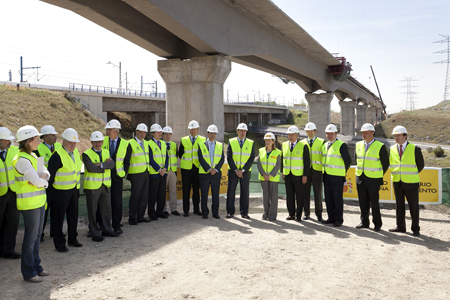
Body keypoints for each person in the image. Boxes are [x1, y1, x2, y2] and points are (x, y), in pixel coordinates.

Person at [13, 125, 50, 283]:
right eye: (37, 139)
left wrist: (42, 178)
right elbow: (37, 180)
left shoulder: (35, 156)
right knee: (30, 238)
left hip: (39, 201)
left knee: (36, 237)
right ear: (28, 141)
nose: (39, 141)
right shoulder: (21, 160)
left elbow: (46, 173)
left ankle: (37, 266)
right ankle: (28, 272)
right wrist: (42, 181)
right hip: (29, 204)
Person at [48, 128, 83, 253]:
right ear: (63, 141)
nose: (73, 145)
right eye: (70, 142)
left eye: (75, 142)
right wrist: (49, 196)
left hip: (73, 190)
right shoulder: (57, 156)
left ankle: (73, 239)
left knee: (73, 216)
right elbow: (50, 178)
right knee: (58, 219)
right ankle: (59, 244)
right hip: (60, 192)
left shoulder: (75, 154)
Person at [82, 131, 120, 242]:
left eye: (99, 141)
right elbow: (91, 168)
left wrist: (99, 164)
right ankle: (95, 233)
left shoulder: (106, 151)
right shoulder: (86, 154)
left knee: (106, 209)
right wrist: (105, 165)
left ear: (102, 142)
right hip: (92, 187)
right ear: (91, 142)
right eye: (95, 142)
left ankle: (107, 230)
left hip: (105, 185)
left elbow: (112, 165)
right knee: (93, 211)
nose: (98, 144)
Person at [388, 125, 424, 236]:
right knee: (399, 205)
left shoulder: (415, 148)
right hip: (397, 182)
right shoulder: (392, 149)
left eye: (398, 135)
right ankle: (400, 226)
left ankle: (415, 228)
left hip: (411, 182)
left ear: (405, 136)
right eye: (395, 136)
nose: (396, 138)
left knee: (413, 206)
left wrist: (409, 174)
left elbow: (421, 165)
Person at [355, 123, 389, 232]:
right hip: (360, 178)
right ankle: (364, 222)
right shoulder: (358, 145)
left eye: (366, 133)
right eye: (362, 133)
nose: (363, 135)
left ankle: (377, 224)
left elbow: (385, 164)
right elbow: (358, 160)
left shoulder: (380, 146)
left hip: (373, 179)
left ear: (372, 133)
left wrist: (377, 175)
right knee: (362, 202)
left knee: (374, 202)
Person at [102, 119, 131, 234]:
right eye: (107, 130)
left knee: (117, 202)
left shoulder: (125, 143)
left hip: (118, 177)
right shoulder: (102, 141)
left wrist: (124, 173)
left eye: (110, 130)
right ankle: (102, 225)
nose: (108, 132)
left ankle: (116, 225)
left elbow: (127, 161)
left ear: (116, 130)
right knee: (103, 202)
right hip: (105, 177)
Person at [34, 125, 61, 242]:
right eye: (52, 134)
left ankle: (55, 232)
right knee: (45, 209)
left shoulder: (59, 147)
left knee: (56, 209)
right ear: (44, 137)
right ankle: (40, 234)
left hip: (59, 183)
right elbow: (39, 168)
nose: (55, 136)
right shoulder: (38, 150)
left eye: (55, 134)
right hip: (46, 185)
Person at [321, 124, 351, 227]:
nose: (330, 135)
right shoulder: (325, 145)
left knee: (337, 199)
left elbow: (348, 161)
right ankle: (331, 217)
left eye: (331, 134)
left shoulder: (341, 145)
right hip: (327, 176)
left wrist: (342, 172)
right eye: (328, 134)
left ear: (336, 134)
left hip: (337, 177)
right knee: (328, 199)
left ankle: (338, 219)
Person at [226, 123, 255, 219]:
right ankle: (230, 212)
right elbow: (229, 157)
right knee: (231, 192)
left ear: (246, 132)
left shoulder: (251, 143)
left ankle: (244, 212)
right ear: (237, 131)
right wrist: (236, 170)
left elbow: (251, 158)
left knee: (245, 192)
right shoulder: (231, 141)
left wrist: (242, 170)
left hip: (245, 172)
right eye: (241, 130)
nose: (243, 132)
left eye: (244, 131)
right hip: (233, 171)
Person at [282, 125, 310, 222]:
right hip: (288, 174)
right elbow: (283, 159)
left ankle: (299, 215)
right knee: (289, 196)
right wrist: (282, 171)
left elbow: (307, 162)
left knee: (299, 196)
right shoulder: (284, 145)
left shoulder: (303, 146)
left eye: (292, 134)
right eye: (289, 135)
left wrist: (305, 175)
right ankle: (291, 214)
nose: (291, 136)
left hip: (299, 175)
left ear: (297, 135)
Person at [0, 127, 20, 259]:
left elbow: (34, 158)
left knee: (13, 222)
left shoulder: (14, 150)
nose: (9, 142)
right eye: (7, 139)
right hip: (1, 194)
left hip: (13, 193)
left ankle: (9, 250)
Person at [178, 120, 206, 217]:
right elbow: (180, 154)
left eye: (195, 129)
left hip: (197, 168)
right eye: (191, 129)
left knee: (196, 190)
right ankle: (186, 211)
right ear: (189, 130)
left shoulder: (203, 140)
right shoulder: (184, 140)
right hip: (186, 169)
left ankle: (196, 209)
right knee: (186, 190)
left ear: (197, 130)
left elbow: (204, 154)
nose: (193, 131)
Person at [197, 125, 224, 219]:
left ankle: (215, 213)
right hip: (205, 173)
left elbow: (222, 159)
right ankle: (205, 213)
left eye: (214, 133)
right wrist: (209, 169)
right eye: (211, 133)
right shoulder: (201, 145)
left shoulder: (220, 145)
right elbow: (200, 158)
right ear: (207, 133)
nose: (213, 135)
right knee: (204, 194)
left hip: (216, 174)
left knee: (215, 195)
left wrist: (215, 170)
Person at [126, 123, 150, 224]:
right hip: (135, 174)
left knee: (144, 196)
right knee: (135, 197)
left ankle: (140, 216)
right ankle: (132, 218)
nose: (142, 134)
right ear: (136, 132)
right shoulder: (130, 143)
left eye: (144, 133)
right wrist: (125, 174)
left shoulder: (146, 143)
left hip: (145, 172)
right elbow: (127, 160)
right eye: (140, 132)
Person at [301, 122, 324, 222]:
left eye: (312, 131)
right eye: (308, 131)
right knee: (305, 192)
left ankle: (319, 214)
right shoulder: (302, 143)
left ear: (315, 131)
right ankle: (306, 213)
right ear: (306, 132)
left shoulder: (322, 142)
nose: (310, 133)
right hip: (305, 171)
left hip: (317, 171)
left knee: (317, 193)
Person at [257, 132, 281, 221]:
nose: (268, 142)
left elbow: (278, 165)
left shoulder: (278, 152)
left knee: (273, 197)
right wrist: (263, 174)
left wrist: (270, 175)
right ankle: (265, 214)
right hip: (263, 178)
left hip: (273, 178)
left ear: (273, 141)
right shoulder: (261, 151)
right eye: (266, 140)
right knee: (265, 196)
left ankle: (272, 215)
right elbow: (259, 164)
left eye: (269, 140)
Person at [147, 124, 168, 220]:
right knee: (152, 194)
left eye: (161, 132)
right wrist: (159, 170)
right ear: (153, 133)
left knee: (161, 194)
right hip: (154, 174)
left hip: (163, 173)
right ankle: (152, 214)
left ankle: (159, 212)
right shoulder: (149, 144)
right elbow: (150, 159)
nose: (160, 134)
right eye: (158, 132)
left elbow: (167, 158)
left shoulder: (163, 143)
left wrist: (165, 169)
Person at [162, 126, 180, 216]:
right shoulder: (160, 144)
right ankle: (164, 209)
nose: (168, 136)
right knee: (163, 191)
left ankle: (174, 209)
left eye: (169, 134)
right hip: (163, 172)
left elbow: (176, 156)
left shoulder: (174, 145)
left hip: (172, 171)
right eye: (166, 134)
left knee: (173, 191)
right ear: (163, 135)